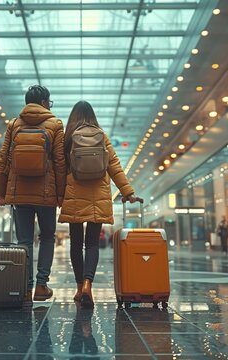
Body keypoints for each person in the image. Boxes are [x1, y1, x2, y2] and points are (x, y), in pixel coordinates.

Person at [58, 100, 137, 308]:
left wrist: (59, 195)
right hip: (98, 195)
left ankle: (78, 288)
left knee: (76, 243)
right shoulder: (102, 136)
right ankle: (87, 285)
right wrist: (127, 192)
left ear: (73, 117)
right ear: (92, 116)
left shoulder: (68, 139)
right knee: (92, 243)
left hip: (74, 194)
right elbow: (115, 167)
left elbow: (59, 170)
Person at [0, 85, 66, 302]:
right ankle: (42, 286)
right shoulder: (55, 124)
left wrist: (1, 193)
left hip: (19, 193)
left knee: (24, 240)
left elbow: (4, 159)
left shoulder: (14, 124)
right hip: (46, 193)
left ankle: (25, 288)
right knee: (47, 237)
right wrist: (61, 194)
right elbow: (60, 162)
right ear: (45, 102)